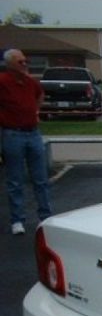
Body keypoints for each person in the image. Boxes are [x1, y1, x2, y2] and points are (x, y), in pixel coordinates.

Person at [0, 48, 52, 235]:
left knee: (41, 179)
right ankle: (17, 220)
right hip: (12, 134)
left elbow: (40, 95)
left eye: (25, 61)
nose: (24, 64)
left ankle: (45, 216)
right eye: (20, 62)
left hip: (33, 133)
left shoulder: (30, 82)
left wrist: (36, 111)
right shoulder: (3, 81)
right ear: (9, 64)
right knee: (15, 180)